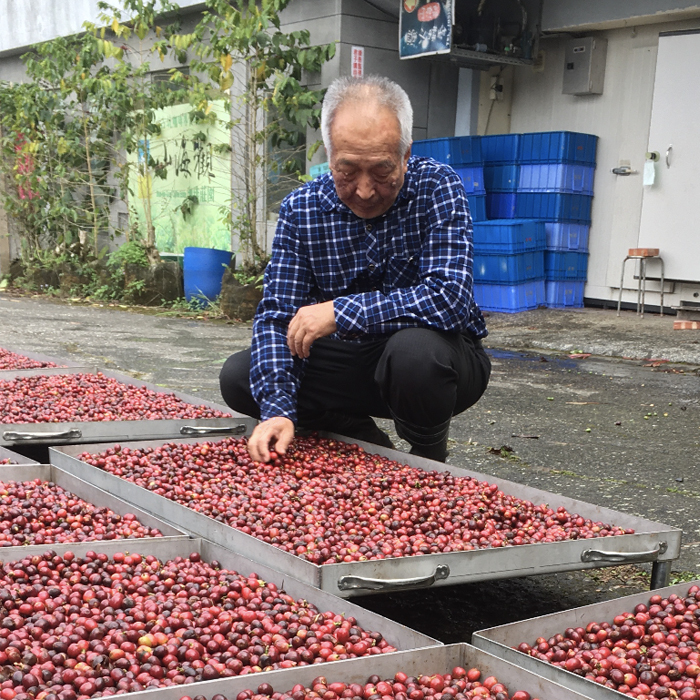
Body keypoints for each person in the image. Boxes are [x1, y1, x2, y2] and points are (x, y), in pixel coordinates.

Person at [220, 74, 490, 463]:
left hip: (432, 363)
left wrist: (340, 312)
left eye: (382, 171)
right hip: (346, 362)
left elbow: (449, 299)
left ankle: (427, 454)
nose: (364, 190)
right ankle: (355, 431)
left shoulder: (437, 187)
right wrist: (277, 409)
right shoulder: (302, 209)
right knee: (241, 375)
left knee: (415, 353)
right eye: (347, 171)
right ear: (329, 157)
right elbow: (278, 317)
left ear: (405, 155)